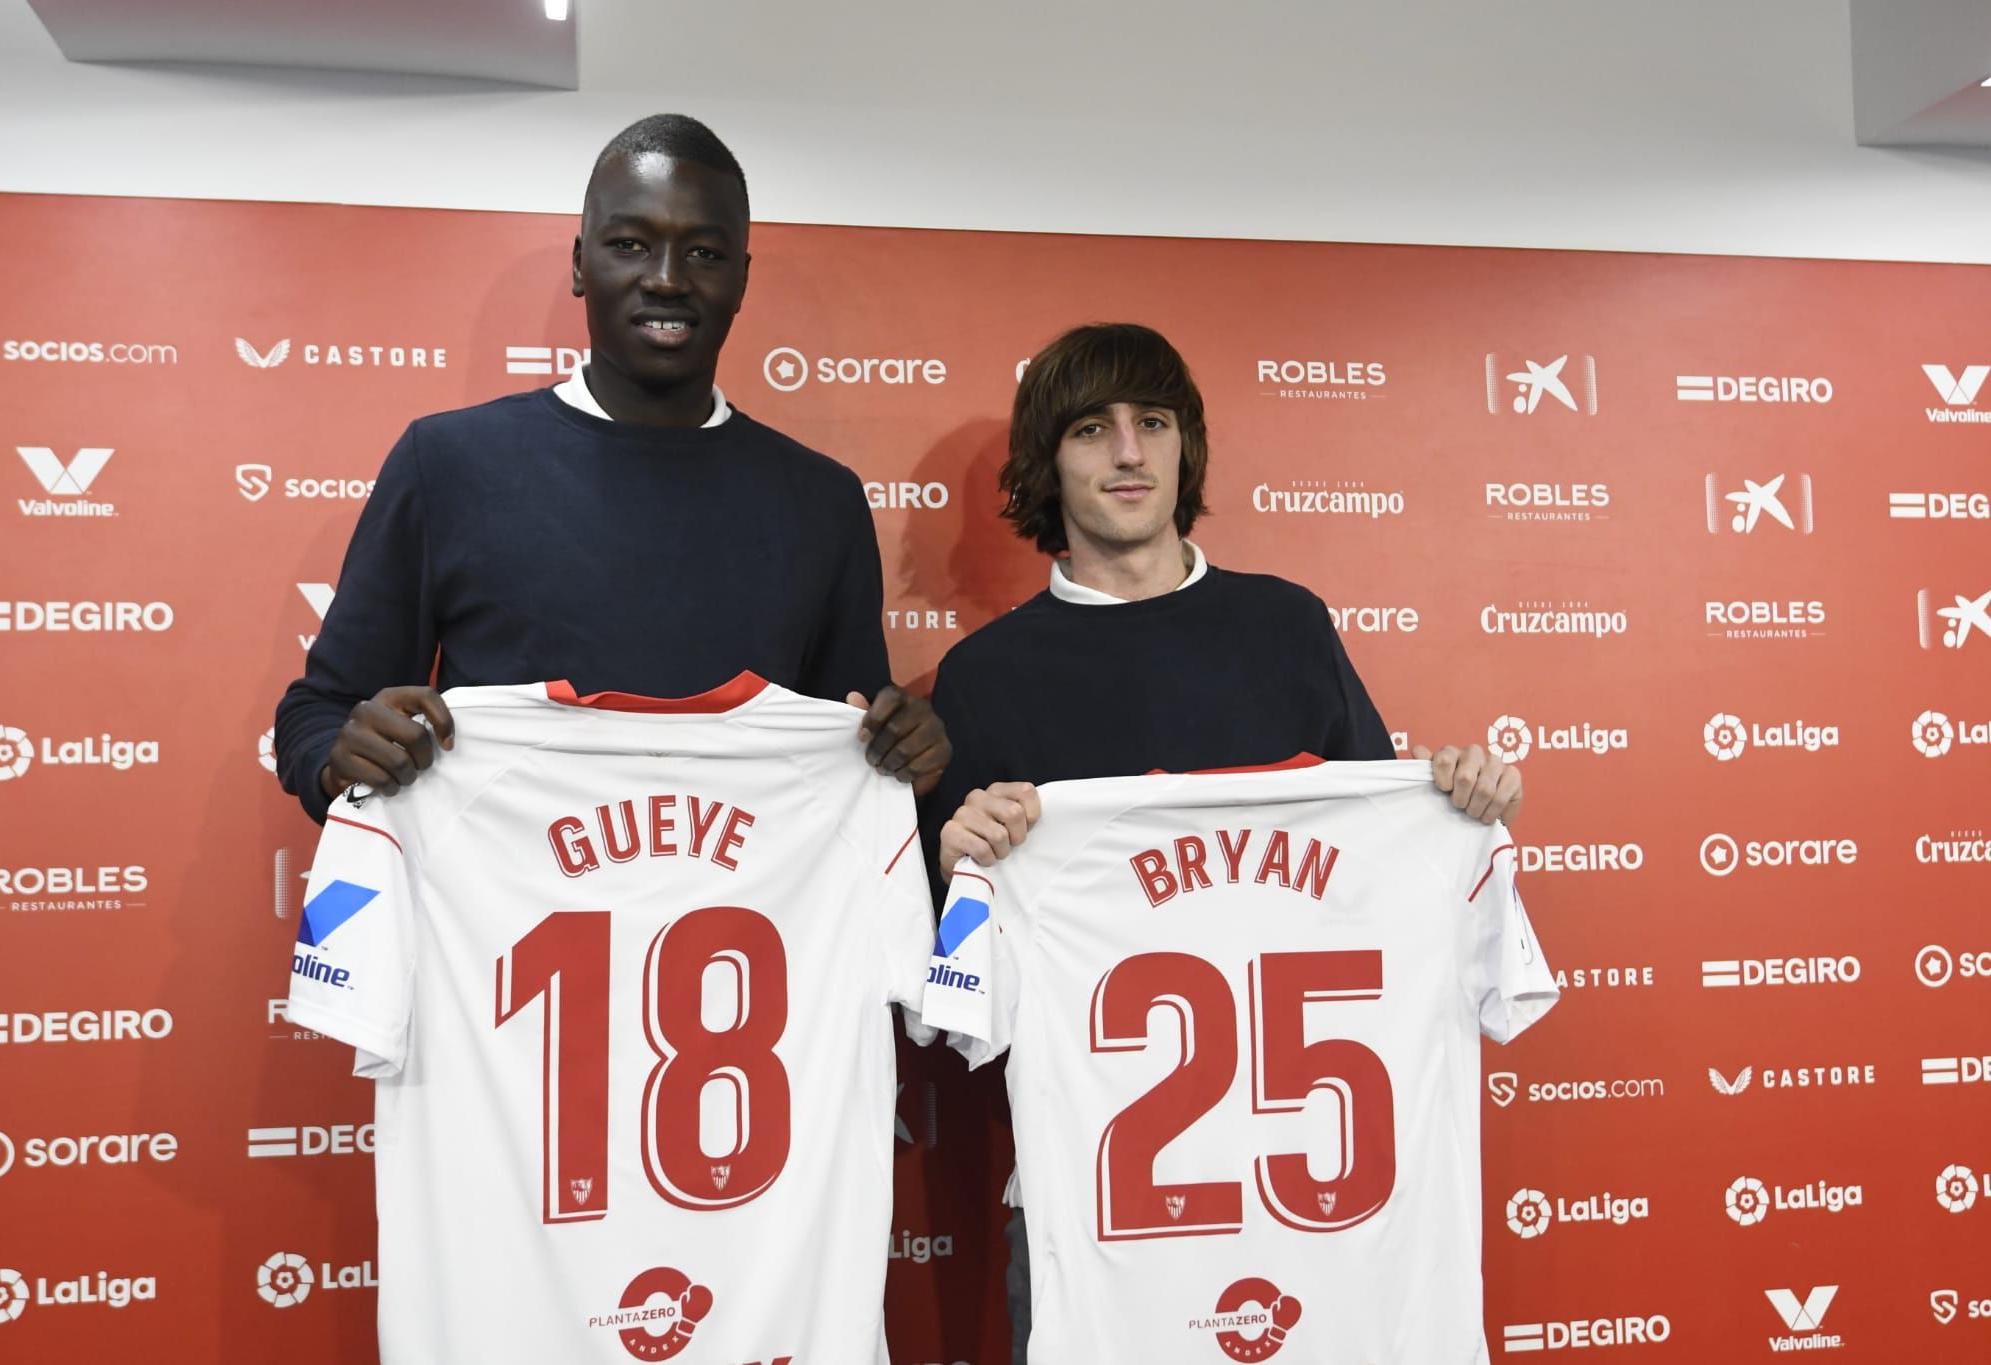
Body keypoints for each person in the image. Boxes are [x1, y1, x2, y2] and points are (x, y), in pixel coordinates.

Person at [921, 321, 1525, 1362]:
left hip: (1321, 1203)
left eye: (1151, 423)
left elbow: (1381, 867)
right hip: (1098, 1219)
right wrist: (956, 868)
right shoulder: (983, 679)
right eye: (1090, 429)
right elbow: (952, 985)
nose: (1126, 453)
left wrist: (1460, 805)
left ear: (1184, 447)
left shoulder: (1285, 628)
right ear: (1046, 462)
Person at [273, 114, 947, 820]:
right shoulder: (445, 465)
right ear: (578, 263)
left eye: (705, 254)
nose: (666, 279)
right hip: (497, 921)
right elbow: (318, 715)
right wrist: (339, 755)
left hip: (740, 924)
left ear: (742, 280)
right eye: (630, 244)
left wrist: (904, 753)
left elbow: (850, 753)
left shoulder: (822, 502)